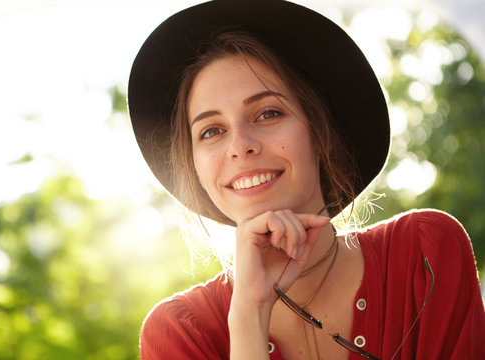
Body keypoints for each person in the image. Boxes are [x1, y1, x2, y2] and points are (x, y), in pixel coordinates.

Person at [128, 1, 485, 359]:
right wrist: (249, 315)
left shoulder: (424, 253)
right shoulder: (179, 332)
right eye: (211, 131)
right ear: (196, 169)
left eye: (268, 113)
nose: (240, 146)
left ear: (320, 131)